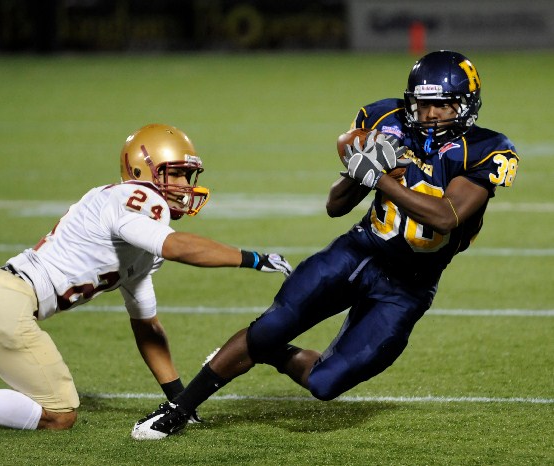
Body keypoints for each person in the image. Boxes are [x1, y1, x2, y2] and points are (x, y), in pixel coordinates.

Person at [131, 50, 520, 440]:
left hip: (409, 287)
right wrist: (359, 171)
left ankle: (270, 354)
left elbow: (446, 215)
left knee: (326, 383)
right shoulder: (386, 120)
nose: (431, 114)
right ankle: (179, 409)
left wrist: (380, 179)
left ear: (465, 105)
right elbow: (335, 206)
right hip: (360, 252)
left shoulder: (487, 149)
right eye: (423, 104)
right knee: (270, 326)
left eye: (442, 104)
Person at [0, 123, 291, 432]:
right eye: (174, 173)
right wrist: (251, 258)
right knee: (59, 414)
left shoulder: (138, 244)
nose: (182, 184)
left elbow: (147, 327)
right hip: (6, 304)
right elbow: (176, 247)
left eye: (185, 174)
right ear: (142, 171)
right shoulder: (135, 198)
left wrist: (179, 397)